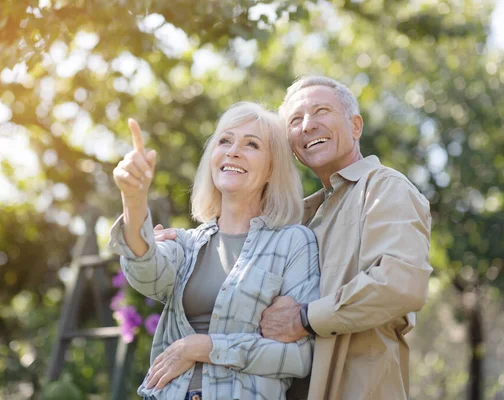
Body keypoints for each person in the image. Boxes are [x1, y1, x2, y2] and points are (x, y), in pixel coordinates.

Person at [154, 76, 432, 400]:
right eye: (296, 120)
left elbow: (401, 283)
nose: (308, 125)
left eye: (321, 111)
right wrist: (185, 248)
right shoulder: (298, 219)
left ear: (356, 126)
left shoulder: (384, 187)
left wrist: (304, 317)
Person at [108, 102, 320, 400]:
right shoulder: (186, 243)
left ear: (273, 168)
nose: (233, 151)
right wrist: (133, 200)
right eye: (225, 140)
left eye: (252, 144)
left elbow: (298, 358)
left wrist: (204, 347)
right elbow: (147, 276)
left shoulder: (293, 243)